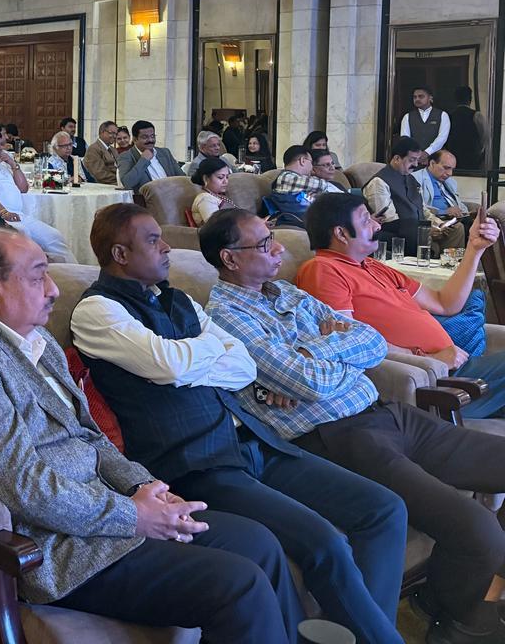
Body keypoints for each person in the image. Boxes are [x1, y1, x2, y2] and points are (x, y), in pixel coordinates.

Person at [0, 229, 302, 643]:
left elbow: (90, 435)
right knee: (238, 584)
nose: (53, 289)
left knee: (258, 542)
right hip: (59, 545)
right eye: (38, 277)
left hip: (106, 510)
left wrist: (145, 487)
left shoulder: (37, 339)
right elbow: (19, 484)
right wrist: (134, 516)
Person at [71, 204, 408, 644]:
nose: (167, 246)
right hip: (195, 463)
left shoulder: (179, 300)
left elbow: (243, 366)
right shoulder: (97, 310)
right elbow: (169, 364)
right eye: (153, 240)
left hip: (254, 440)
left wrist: (193, 359)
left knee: (383, 508)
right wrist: (207, 352)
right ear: (120, 253)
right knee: (324, 542)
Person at [201, 207, 505, 644]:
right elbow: (308, 381)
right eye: (265, 244)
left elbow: (372, 340)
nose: (279, 249)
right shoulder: (227, 316)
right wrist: (330, 350)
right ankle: (457, 623)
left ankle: (445, 601)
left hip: (388, 413)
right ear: (230, 258)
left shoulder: (286, 292)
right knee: (477, 529)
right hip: (338, 436)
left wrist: (315, 350)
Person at [298, 194, 505, 419]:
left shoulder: (373, 266)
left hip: (452, 365)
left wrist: (474, 248)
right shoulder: (323, 269)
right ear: (341, 233)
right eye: (366, 220)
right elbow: (347, 340)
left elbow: (445, 303)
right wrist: (427, 359)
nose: (377, 226)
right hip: (434, 379)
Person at [0, 126, 76, 262]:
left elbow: (23, 188)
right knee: (24, 235)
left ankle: (74, 270)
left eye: (1, 144)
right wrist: (3, 211)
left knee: (54, 236)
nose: (1, 148)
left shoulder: (1, 163)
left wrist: (13, 164)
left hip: (18, 214)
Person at [361, 137, 424, 256]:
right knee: (414, 228)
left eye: (417, 160)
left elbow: (422, 208)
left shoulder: (412, 180)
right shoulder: (379, 182)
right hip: (390, 231)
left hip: (416, 228)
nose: (416, 164)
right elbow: (388, 219)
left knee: (456, 229)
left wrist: (437, 225)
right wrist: (421, 228)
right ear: (397, 159)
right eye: (412, 160)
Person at [267, 145, 341, 227]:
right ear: (302, 161)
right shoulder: (286, 177)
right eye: (311, 162)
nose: (312, 167)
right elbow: (321, 185)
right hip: (303, 221)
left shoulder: (295, 180)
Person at [414, 150, 470, 254]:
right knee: (458, 228)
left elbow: (458, 202)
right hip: (433, 218)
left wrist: (464, 212)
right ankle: (452, 261)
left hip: (452, 218)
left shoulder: (450, 182)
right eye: (446, 168)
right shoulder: (416, 179)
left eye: (452, 169)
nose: (450, 173)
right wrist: (444, 211)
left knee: (481, 224)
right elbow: (419, 207)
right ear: (432, 163)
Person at [117, 121, 185, 193]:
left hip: (173, 194)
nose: (150, 140)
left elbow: (182, 177)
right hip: (148, 198)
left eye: (152, 136)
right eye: (145, 137)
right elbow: (127, 183)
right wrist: (143, 160)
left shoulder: (165, 153)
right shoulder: (126, 157)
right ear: (135, 139)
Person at [400, 85, 449, 161]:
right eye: (415, 97)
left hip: (436, 158)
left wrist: (427, 153)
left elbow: (442, 138)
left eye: (421, 96)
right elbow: (405, 139)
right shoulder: (407, 116)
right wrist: (417, 155)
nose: (417, 99)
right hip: (414, 159)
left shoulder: (442, 115)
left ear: (430, 98)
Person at [445, 86, 486, 171]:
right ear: (470, 99)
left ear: (455, 100)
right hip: (473, 160)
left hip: (453, 160)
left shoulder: (448, 117)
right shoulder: (476, 116)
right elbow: (485, 139)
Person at [191, 157, 235, 226]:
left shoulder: (216, 195)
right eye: (220, 177)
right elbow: (216, 226)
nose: (226, 181)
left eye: (227, 177)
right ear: (206, 178)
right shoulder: (205, 198)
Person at [82, 120, 119, 185]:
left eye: (116, 134)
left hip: (116, 182)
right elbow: (99, 174)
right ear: (102, 132)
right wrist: (120, 179)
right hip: (104, 185)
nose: (114, 136)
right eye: (111, 133)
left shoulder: (113, 150)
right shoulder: (93, 149)